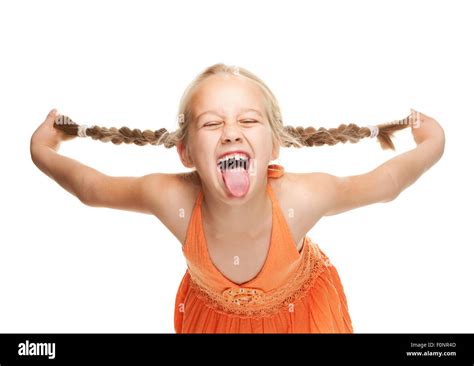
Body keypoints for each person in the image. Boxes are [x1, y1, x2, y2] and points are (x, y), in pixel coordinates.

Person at [30, 63, 445, 333]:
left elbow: (385, 183)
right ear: (187, 153)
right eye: (212, 123)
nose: (231, 131)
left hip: (298, 322)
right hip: (214, 323)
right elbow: (92, 189)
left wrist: (433, 142)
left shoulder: (300, 199)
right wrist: (41, 150)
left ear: (275, 146)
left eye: (248, 120)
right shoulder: (171, 198)